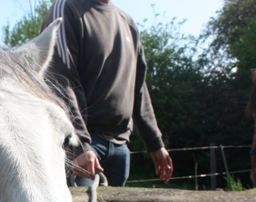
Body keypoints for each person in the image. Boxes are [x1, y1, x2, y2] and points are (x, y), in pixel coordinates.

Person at [41, 0, 173, 187]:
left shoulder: (127, 23)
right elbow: (60, 79)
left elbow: (139, 88)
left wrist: (155, 144)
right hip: (83, 147)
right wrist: (79, 144)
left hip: (120, 146)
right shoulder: (67, 8)